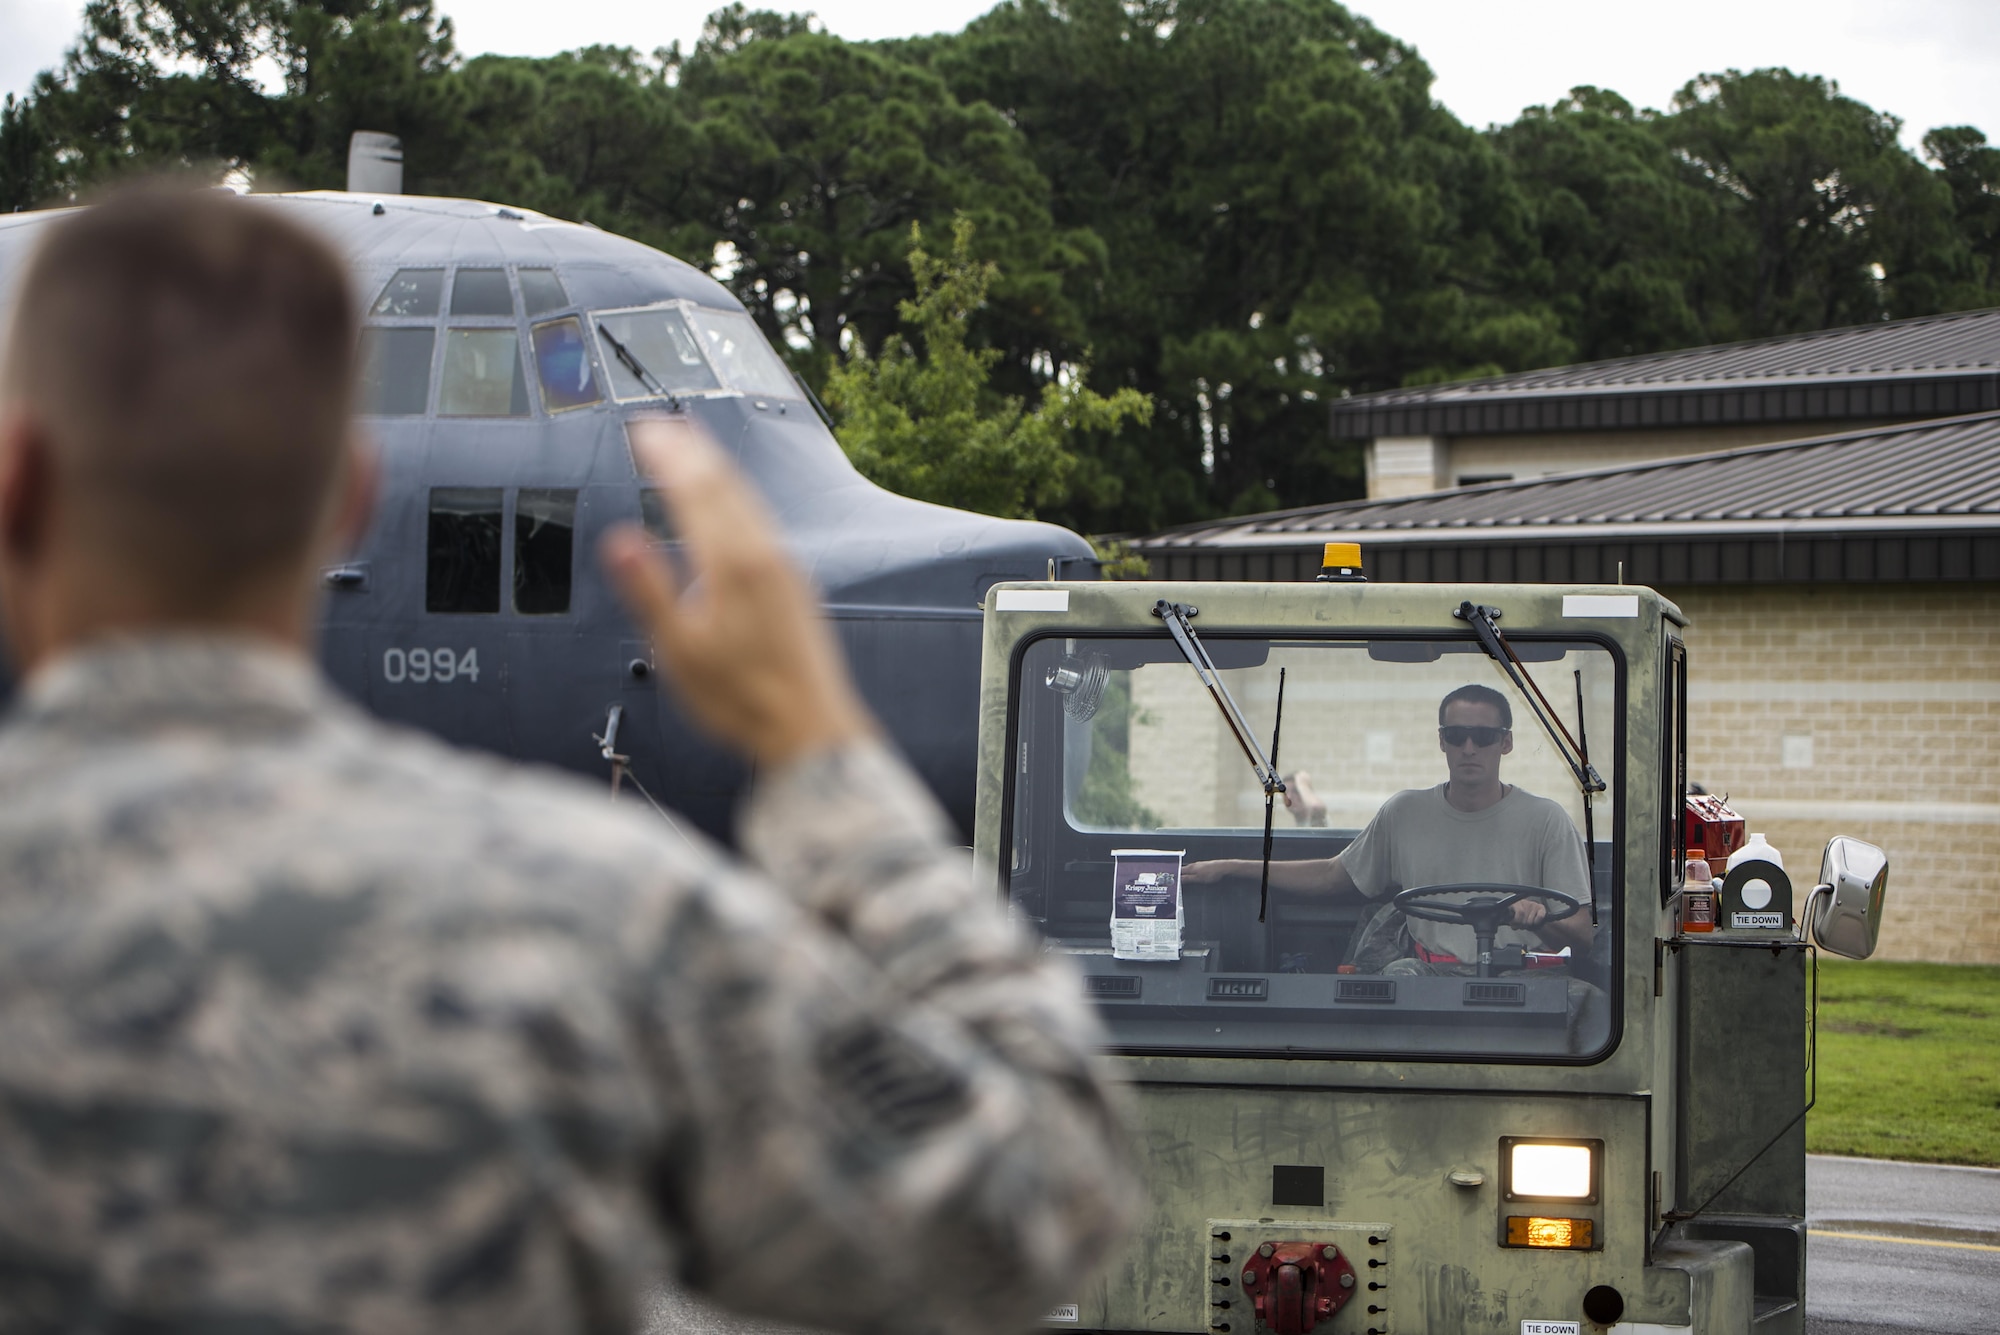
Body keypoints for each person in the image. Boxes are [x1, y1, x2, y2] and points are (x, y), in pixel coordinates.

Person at [0, 185, 1135, 1333]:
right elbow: (1033, 1205)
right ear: (348, 499)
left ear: (15, 480)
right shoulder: (588, 916)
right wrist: (822, 757)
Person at [1186, 683, 1594, 974]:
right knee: (1388, 993)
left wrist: (1537, 918)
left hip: (1521, 979)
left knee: (1585, 1015)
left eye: (1483, 736)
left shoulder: (1547, 821)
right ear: (1442, 741)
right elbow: (1332, 876)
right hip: (1426, 977)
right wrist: (1233, 867)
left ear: (1505, 743)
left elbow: (1582, 934)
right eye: (1456, 735)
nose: (1469, 748)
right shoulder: (1405, 812)